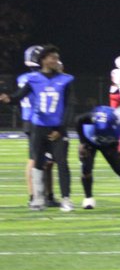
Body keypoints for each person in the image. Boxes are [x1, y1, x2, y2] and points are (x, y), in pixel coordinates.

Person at [1, 45, 75, 211]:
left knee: (62, 163)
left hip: (57, 127)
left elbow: (70, 106)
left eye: (56, 58)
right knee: (38, 163)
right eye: (52, 58)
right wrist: (7, 99)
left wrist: (61, 129)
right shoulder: (33, 79)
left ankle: (66, 199)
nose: (55, 61)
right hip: (38, 126)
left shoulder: (65, 79)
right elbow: (17, 97)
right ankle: (38, 199)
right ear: (43, 60)